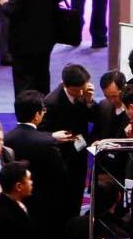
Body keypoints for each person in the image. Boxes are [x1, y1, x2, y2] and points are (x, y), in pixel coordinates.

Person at [4, 90, 68, 239]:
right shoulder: (47, 142)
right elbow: (61, 174)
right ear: (37, 115)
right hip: (44, 205)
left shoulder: (6, 139)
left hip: (14, 203)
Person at [41, 63, 96, 224]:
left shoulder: (84, 94)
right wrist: (53, 136)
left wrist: (89, 101)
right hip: (61, 156)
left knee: (78, 190)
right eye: (76, 90)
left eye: (82, 88)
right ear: (65, 85)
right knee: (62, 195)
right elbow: (41, 132)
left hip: (79, 151)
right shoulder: (51, 102)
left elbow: (93, 117)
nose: (80, 93)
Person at [0, 161, 37, 239]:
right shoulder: (3, 216)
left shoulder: (17, 203)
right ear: (19, 186)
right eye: (29, 179)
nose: (31, 182)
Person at [91, 70, 130, 181]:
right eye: (107, 96)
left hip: (124, 168)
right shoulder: (103, 106)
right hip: (104, 168)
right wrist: (95, 143)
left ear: (124, 89)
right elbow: (96, 133)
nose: (111, 100)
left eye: (115, 96)